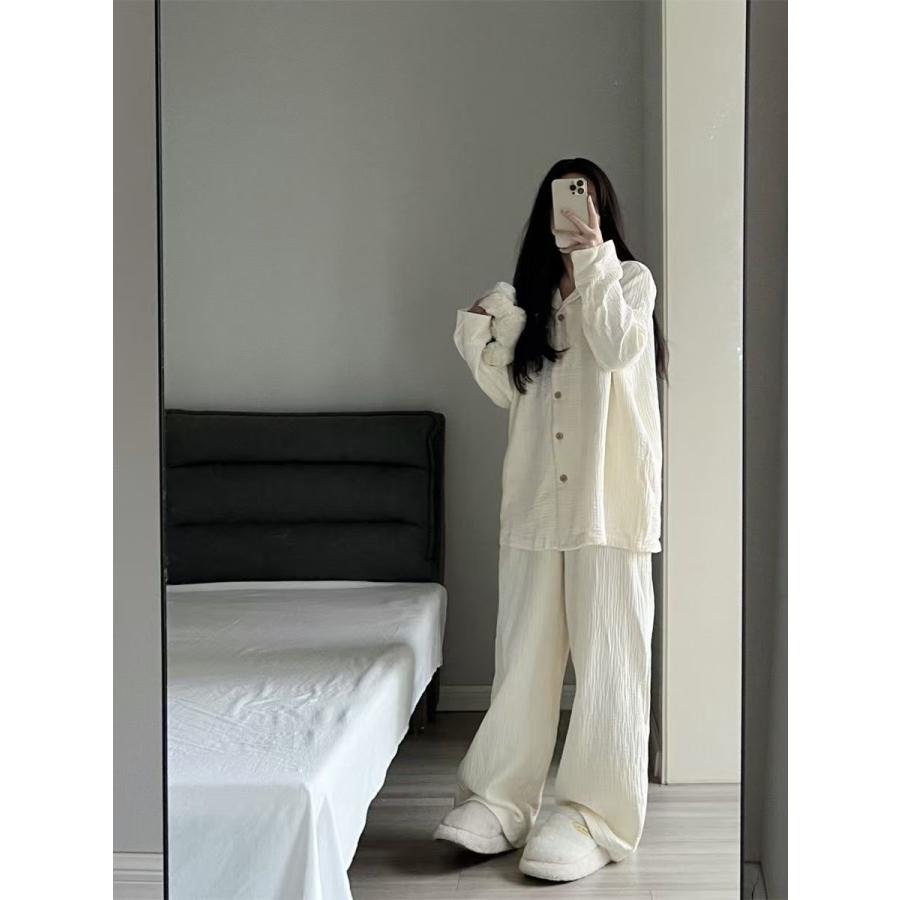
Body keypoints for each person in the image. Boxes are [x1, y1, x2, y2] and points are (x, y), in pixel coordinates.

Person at [434, 158, 667, 883]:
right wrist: (483, 329)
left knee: (609, 666)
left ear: (602, 209)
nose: (574, 208)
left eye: (585, 197)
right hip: (537, 501)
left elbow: (619, 348)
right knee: (523, 661)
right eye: (563, 199)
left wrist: (592, 259)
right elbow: (509, 390)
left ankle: (594, 815)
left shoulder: (629, 282)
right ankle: (500, 800)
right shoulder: (529, 303)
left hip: (609, 508)